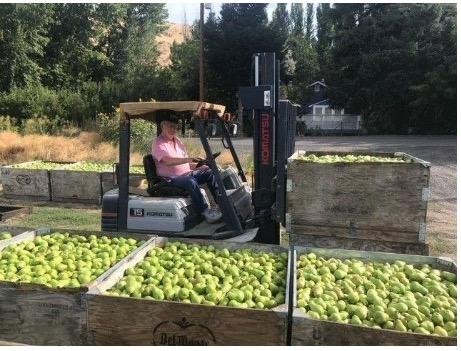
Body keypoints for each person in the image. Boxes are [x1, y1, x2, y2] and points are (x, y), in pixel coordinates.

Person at [152, 115, 223, 223]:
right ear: (162, 126)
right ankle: (204, 211)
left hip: (186, 174)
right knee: (190, 181)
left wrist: (200, 165)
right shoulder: (158, 143)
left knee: (209, 172)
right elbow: (168, 161)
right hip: (169, 179)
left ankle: (221, 204)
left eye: (175, 127)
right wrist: (189, 159)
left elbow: (186, 165)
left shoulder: (178, 142)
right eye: (170, 126)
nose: (173, 130)